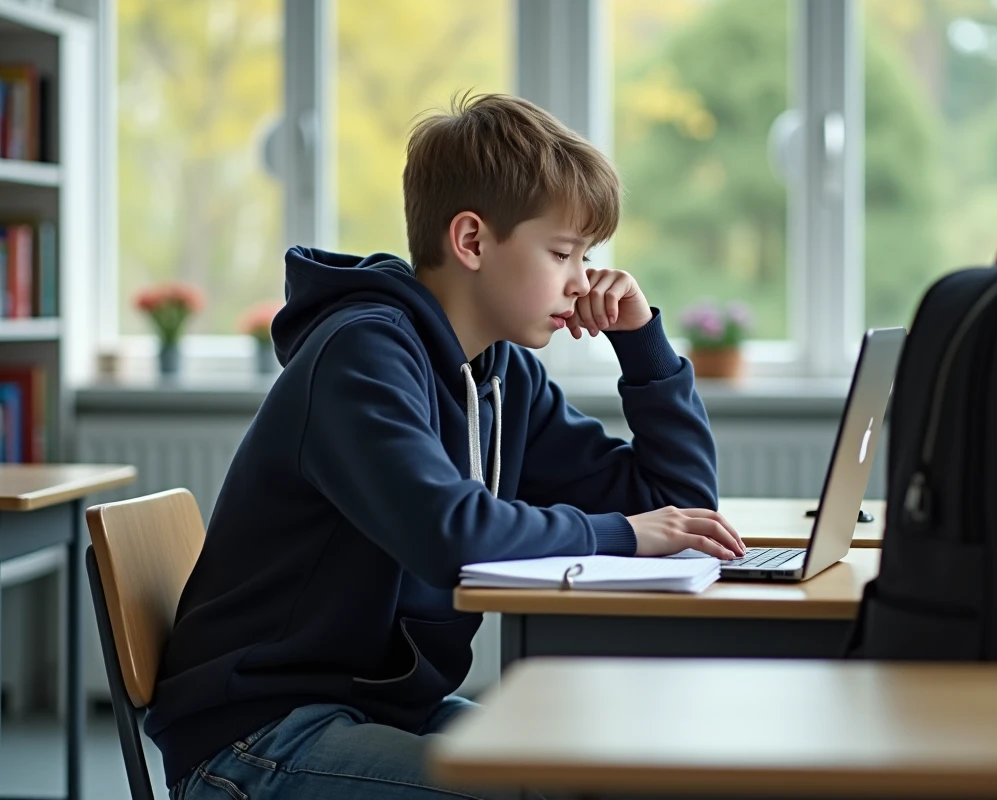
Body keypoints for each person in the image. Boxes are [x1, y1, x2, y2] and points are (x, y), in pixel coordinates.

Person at [151, 93, 744, 800]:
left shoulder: (502, 375)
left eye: (588, 256)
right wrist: (622, 534)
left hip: (382, 713)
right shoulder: (361, 354)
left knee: (594, 775)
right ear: (471, 242)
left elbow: (677, 514)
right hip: (258, 738)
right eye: (562, 252)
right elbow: (449, 533)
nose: (584, 280)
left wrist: (643, 344)